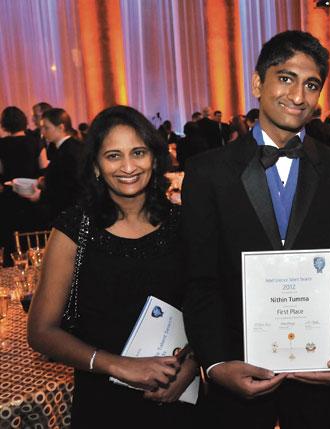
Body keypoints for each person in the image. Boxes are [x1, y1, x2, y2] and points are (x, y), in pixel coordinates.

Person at [181, 30, 330, 429]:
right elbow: (201, 281)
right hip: (238, 372)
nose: (298, 96)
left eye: (311, 84)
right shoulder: (207, 173)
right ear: (257, 83)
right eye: (286, 78)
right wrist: (215, 364)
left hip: (320, 376)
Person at [27, 105, 205, 428]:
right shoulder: (74, 228)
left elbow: (208, 306)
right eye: (113, 156)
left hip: (179, 395)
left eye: (138, 152)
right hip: (104, 404)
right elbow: (40, 332)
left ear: (154, 157)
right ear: (96, 165)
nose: (128, 166)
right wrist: (119, 366)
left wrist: (193, 364)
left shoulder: (184, 223)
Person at [0, 106, 48, 264]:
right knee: (34, 238)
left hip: (9, 198)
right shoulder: (36, 142)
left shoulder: (2, 145)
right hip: (32, 195)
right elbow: (43, 168)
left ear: (4, 124)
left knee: (11, 240)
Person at [27, 108, 84, 222]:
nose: (42, 132)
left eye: (46, 128)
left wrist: (41, 196)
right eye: (42, 128)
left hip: (71, 213)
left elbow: (69, 186)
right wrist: (46, 180)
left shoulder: (69, 151)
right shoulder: (68, 147)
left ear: (61, 127)